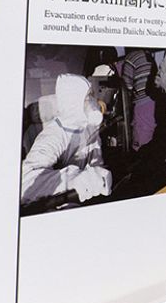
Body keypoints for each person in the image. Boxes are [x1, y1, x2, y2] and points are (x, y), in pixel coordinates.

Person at [21, 74, 112, 206]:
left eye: (91, 96)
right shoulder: (53, 135)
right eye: (87, 98)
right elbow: (27, 182)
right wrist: (77, 179)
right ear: (73, 101)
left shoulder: (88, 127)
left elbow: (97, 165)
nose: (92, 102)